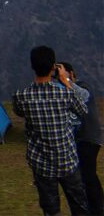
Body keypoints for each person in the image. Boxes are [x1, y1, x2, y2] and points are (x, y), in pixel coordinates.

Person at [13, 46, 89, 216]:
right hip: (67, 160)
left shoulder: (21, 96)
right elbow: (83, 111)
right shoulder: (65, 95)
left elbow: (19, 112)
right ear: (53, 67)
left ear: (32, 66)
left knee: (51, 210)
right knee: (80, 207)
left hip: (42, 163)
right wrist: (66, 82)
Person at [61, 62, 103, 215]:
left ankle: (97, 208)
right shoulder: (67, 91)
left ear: (71, 73)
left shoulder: (82, 85)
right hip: (81, 138)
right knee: (86, 175)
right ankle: (95, 207)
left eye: (63, 72)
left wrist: (66, 81)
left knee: (88, 175)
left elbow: (83, 95)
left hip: (89, 137)